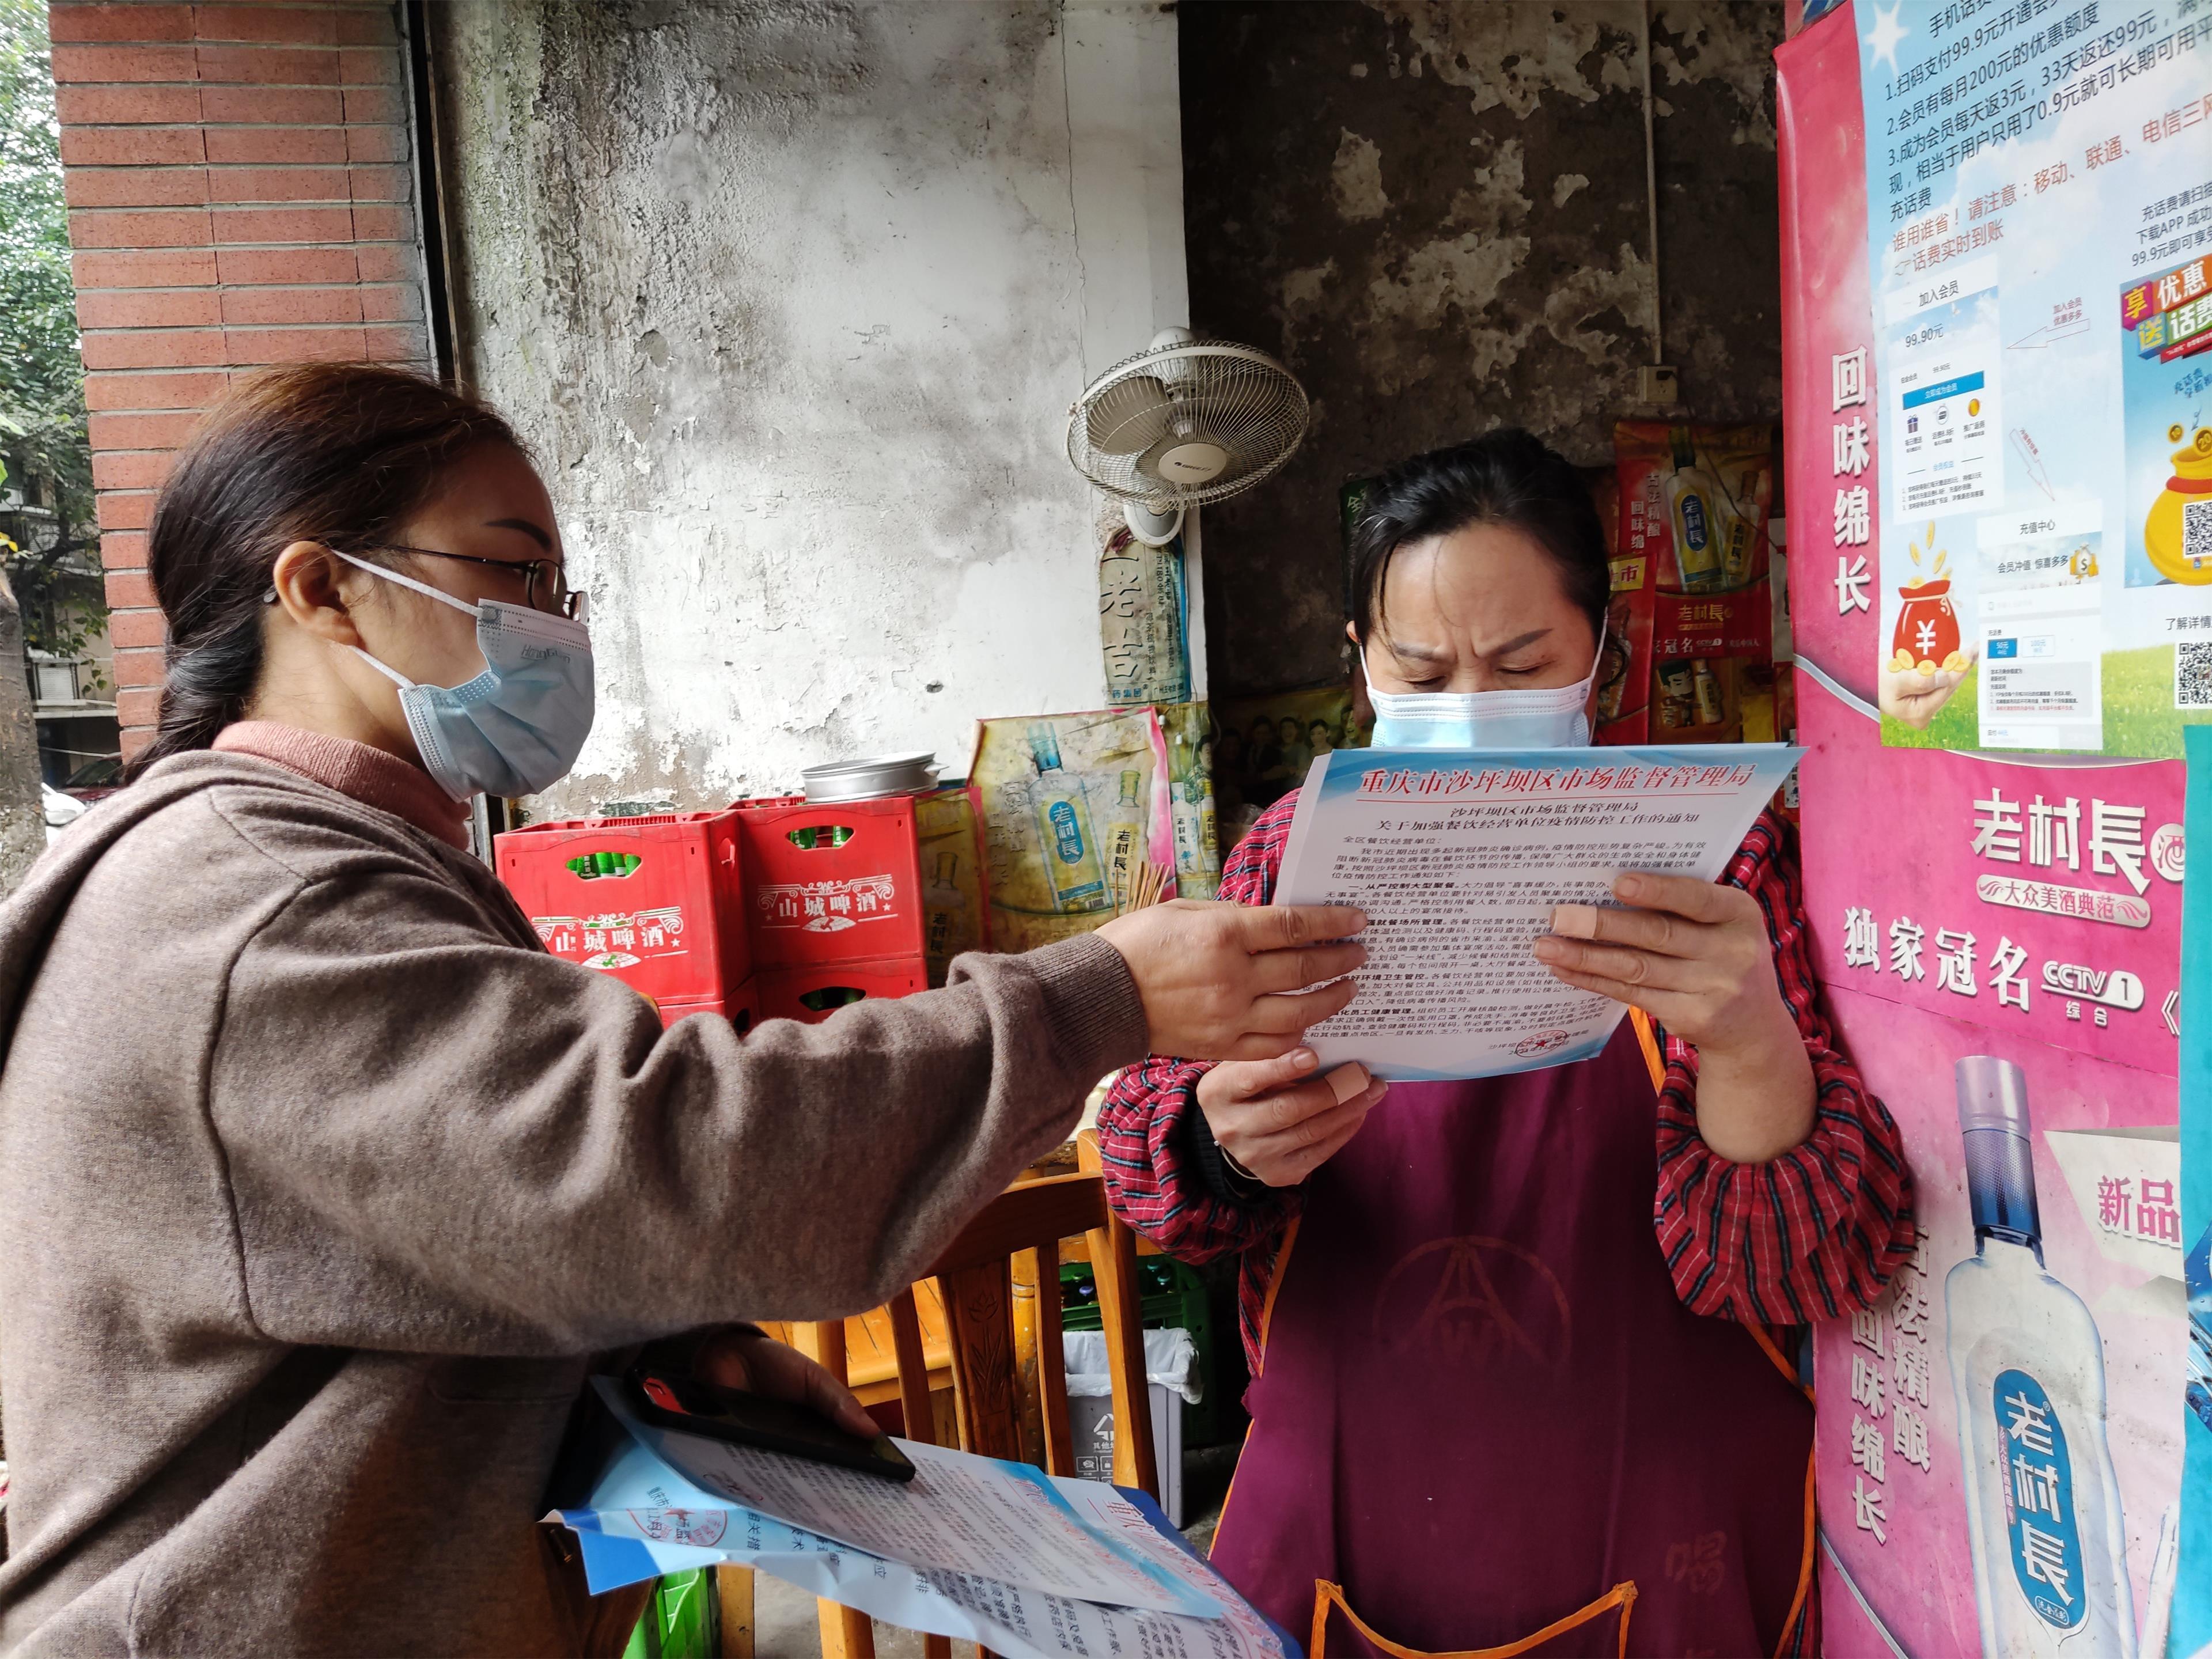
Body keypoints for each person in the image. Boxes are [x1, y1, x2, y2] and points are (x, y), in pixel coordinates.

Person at [0, 363, 1368, 1655]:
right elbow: (677, 1153)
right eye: (509, 570)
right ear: (323, 591)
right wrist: (1102, 996)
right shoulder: (257, 906)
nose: (554, 628)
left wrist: (660, 1349)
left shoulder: (331, 867)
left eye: (560, 585)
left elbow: (455, 1225)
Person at [1097, 430, 1914, 1659]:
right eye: (1422, 679)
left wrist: (1747, 1040)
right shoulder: (1283, 863)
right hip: (1350, 1539)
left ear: (1601, 650)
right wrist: (1220, 1145)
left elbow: (1803, 1273)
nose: (1470, 713)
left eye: (1521, 663)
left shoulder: (1708, 861)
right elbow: (1156, 1186)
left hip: (1671, 1536)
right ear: (1359, 663)